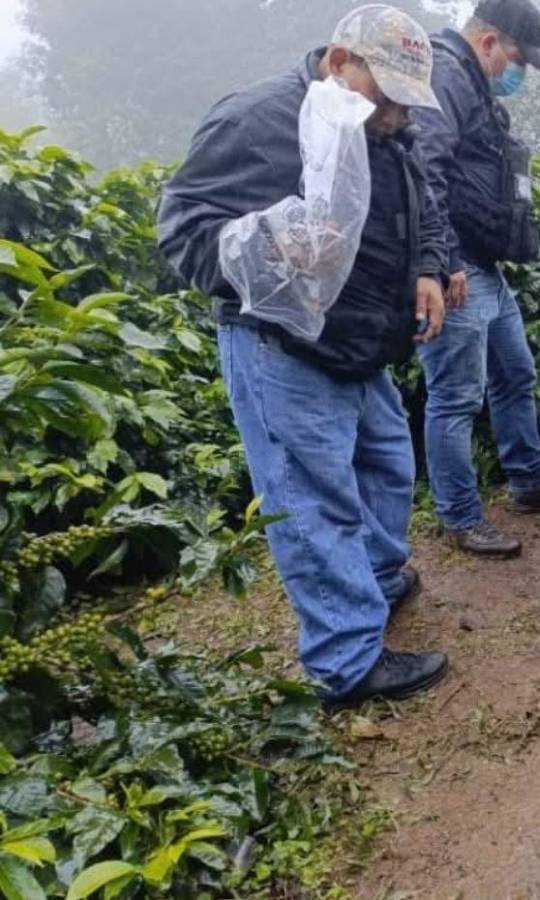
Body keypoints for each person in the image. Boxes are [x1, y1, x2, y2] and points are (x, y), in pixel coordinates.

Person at [157, 5, 450, 709]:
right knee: (312, 499)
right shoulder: (258, 120)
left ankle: (375, 582)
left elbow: (416, 203)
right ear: (341, 63)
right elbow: (182, 231)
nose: (400, 119)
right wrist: (264, 247)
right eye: (390, 100)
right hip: (284, 345)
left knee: (387, 466)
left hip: (359, 344)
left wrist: (429, 267)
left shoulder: (374, 121)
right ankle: (346, 662)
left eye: (410, 106)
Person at [412, 0, 540, 560]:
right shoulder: (445, 74)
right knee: (456, 396)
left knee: (515, 373)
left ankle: (527, 481)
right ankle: (461, 516)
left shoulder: (472, 83)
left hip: (484, 267)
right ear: (488, 41)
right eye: (517, 58)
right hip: (458, 268)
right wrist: (444, 263)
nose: (519, 74)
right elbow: (425, 174)